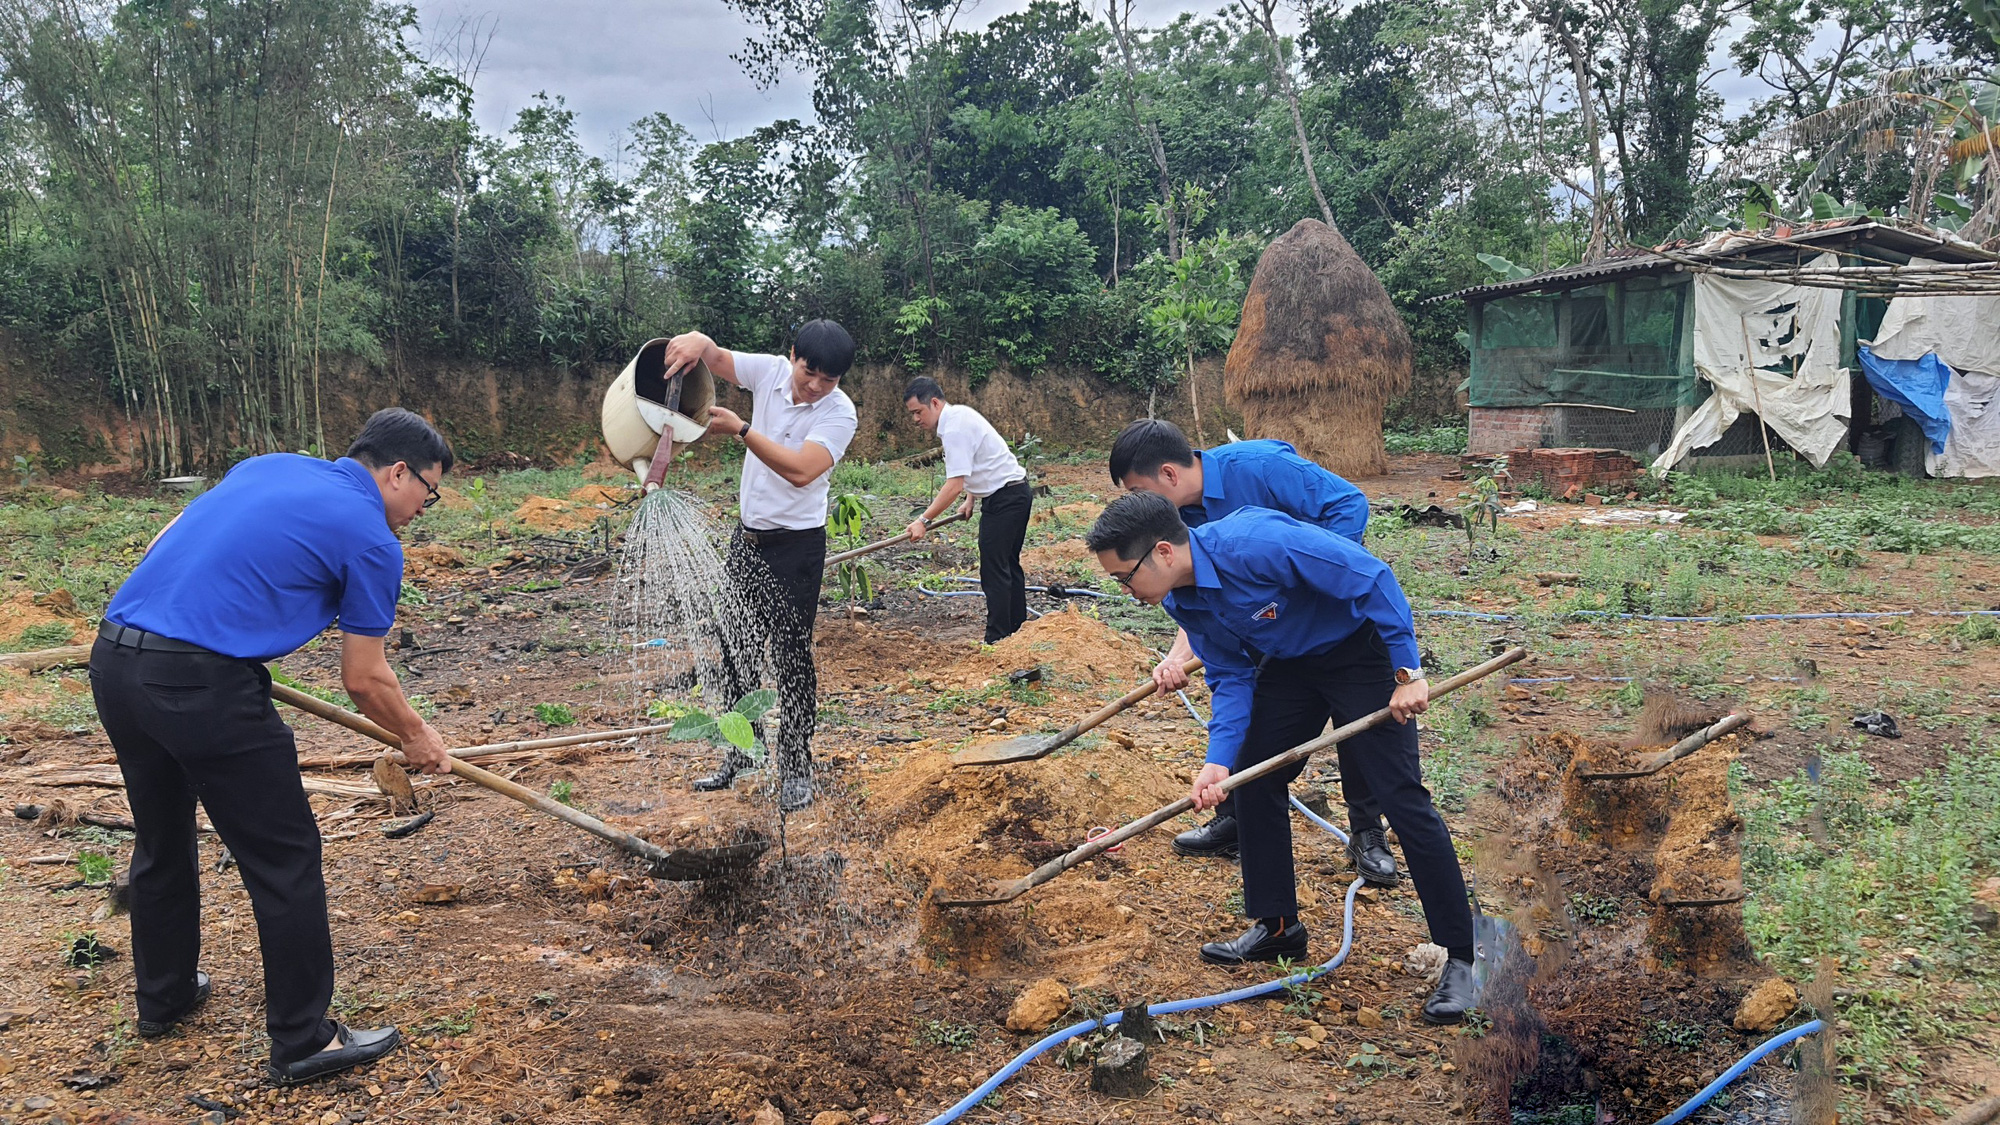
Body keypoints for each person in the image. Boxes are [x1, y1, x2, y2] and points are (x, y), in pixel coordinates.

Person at [89, 409, 456, 1084]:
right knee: (286, 855)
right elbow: (365, 676)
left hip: (116, 657)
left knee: (162, 836)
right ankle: (303, 1038)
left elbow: (172, 536)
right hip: (200, 681)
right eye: (427, 494)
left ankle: (163, 996)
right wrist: (416, 734)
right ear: (398, 471)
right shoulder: (373, 539)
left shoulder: (272, 465)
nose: (422, 510)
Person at [1083, 491, 1477, 1023]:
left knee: (1402, 800)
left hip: (1360, 653)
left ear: (1163, 552)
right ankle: (1278, 928)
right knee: (1252, 779)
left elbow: (1373, 577)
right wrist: (1218, 761)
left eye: (1124, 577)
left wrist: (1408, 674)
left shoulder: (1256, 543)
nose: (1125, 591)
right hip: (1292, 666)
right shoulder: (1183, 598)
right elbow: (1230, 674)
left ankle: (1459, 957)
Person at [1107, 419, 1393, 883]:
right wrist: (1178, 656)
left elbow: (1348, 504)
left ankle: (1366, 830)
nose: (1139, 506)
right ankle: (1240, 816)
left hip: (1332, 615)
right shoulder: (1179, 521)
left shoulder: (1260, 468)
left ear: (1169, 474)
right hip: (1265, 626)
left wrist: (1309, 594)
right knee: (1259, 715)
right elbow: (1199, 599)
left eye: (1141, 491)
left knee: (1356, 720)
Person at [662, 319, 859, 813]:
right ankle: (742, 755)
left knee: (791, 658)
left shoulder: (840, 414)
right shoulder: (770, 373)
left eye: (827, 380)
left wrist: (744, 430)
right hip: (747, 542)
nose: (814, 386)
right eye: (808, 371)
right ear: (793, 354)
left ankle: (795, 766)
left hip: (798, 548)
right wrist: (699, 342)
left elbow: (802, 471)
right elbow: (719, 358)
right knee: (734, 652)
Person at [902, 377, 1034, 643]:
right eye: (912, 414)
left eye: (919, 412)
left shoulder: (954, 429)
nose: (916, 419)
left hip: (1005, 499)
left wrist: (923, 520)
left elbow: (953, 485)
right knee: (1007, 565)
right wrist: (971, 500)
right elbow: (978, 461)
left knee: (994, 570)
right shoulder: (960, 416)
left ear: (935, 403)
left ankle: (997, 639)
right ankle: (1018, 632)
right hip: (1015, 492)